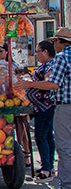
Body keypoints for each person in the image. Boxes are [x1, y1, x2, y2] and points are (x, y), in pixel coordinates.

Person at [16, 27, 71, 189]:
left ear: (60, 42)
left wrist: (28, 84)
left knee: (64, 147)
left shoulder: (62, 57)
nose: (55, 44)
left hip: (65, 106)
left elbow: (54, 84)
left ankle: (67, 188)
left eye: (56, 41)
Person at [24, 40, 57, 181]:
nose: (35, 54)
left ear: (45, 52)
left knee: (41, 136)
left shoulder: (50, 65)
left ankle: (46, 169)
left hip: (45, 107)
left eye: (37, 51)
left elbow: (48, 83)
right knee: (48, 135)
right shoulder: (46, 65)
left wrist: (30, 84)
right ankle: (49, 165)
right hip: (43, 107)